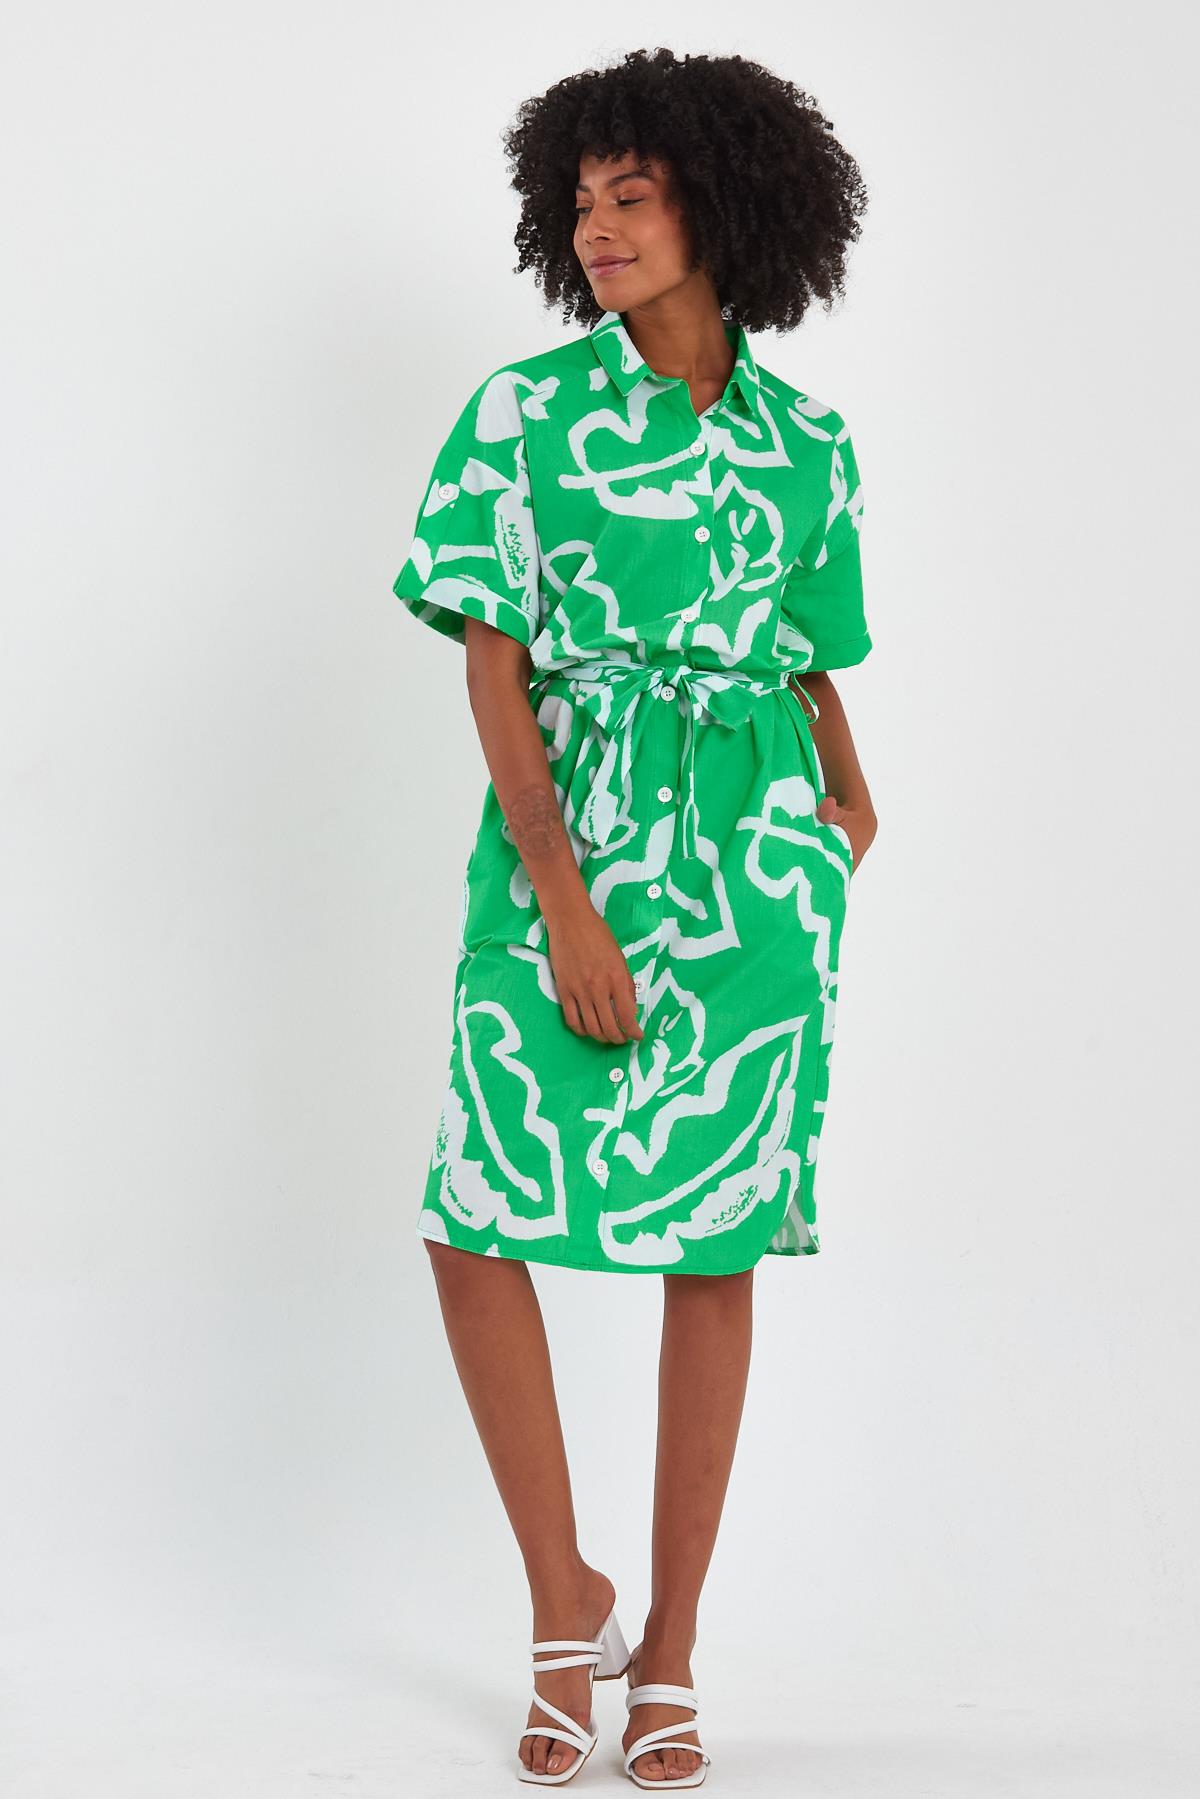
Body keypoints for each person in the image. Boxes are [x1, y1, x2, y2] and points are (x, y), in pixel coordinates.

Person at [392, 46, 878, 1788]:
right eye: (580, 201)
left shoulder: (810, 442)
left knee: (715, 1240)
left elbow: (812, 647)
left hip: (755, 859)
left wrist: (849, 797)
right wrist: (562, 898)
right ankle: (562, 1604)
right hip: (573, 838)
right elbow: (494, 661)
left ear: (724, 208)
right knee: (475, 1218)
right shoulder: (523, 416)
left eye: (634, 195)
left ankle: (669, 1647)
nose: (597, 227)